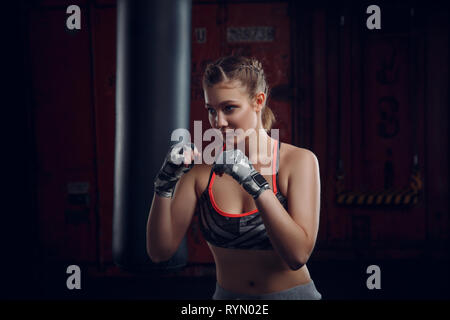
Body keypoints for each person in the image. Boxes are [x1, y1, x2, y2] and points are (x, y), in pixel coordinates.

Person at [146, 55, 322, 300]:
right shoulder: (201, 173)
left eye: (229, 108)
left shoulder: (298, 162)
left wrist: (253, 182)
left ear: (258, 101)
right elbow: (159, 252)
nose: (218, 122)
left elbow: (297, 256)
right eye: (211, 110)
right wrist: (164, 184)